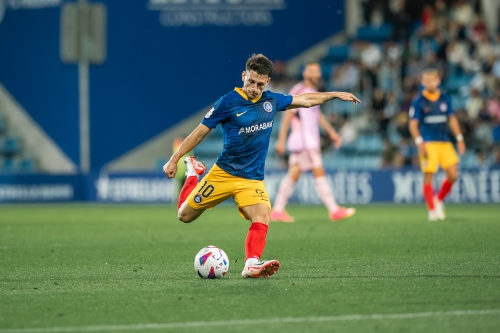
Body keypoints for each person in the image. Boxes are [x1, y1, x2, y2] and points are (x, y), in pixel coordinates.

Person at [163, 54, 360, 278]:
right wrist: (175, 158)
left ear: (267, 82)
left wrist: (334, 94)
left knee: (263, 214)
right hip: (223, 174)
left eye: (260, 84)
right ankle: (193, 174)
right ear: (244, 76)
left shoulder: (271, 101)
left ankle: (251, 264)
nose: (255, 88)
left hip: (251, 179)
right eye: (251, 82)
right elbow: (200, 132)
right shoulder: (227, 102)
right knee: (184, 215)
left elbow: (305, 100)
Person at [271, 61, 356, 223]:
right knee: (318, 172)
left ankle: (277, 211)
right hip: (305, 141)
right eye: (312, 71)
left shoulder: (313, 91)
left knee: (293, 174)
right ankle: (334, 209)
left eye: (317, 71)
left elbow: (317, 116)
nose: (316, 74)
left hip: (308, 140)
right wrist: (281, 140)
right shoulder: (299, 90)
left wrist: (332, 133)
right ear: (305, 73)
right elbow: (287, 115)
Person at [409, 68, 466, 221]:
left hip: (445, 142)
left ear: (438, 81)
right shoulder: (418, 101)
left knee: (453, 174)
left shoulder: (445, 98)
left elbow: (452, 119)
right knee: (429, 176)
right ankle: (432, 210)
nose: (430, 82)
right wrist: (419, 142)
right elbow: (413, 124)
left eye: (433, 79)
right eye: (427, 80)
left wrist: (459, 138)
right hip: (428, 143)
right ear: (422, 82)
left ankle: (438, 199)